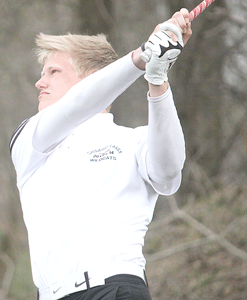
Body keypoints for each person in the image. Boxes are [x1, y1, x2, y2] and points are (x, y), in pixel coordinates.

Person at [10, 8, 192, 300]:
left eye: (53, 72)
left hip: (117, 290)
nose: (39, 82)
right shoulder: (31, 141)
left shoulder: (134, 140)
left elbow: (169, 176)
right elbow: (76, 106)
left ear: (93, 78)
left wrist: (156, 77)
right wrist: (142, 55)